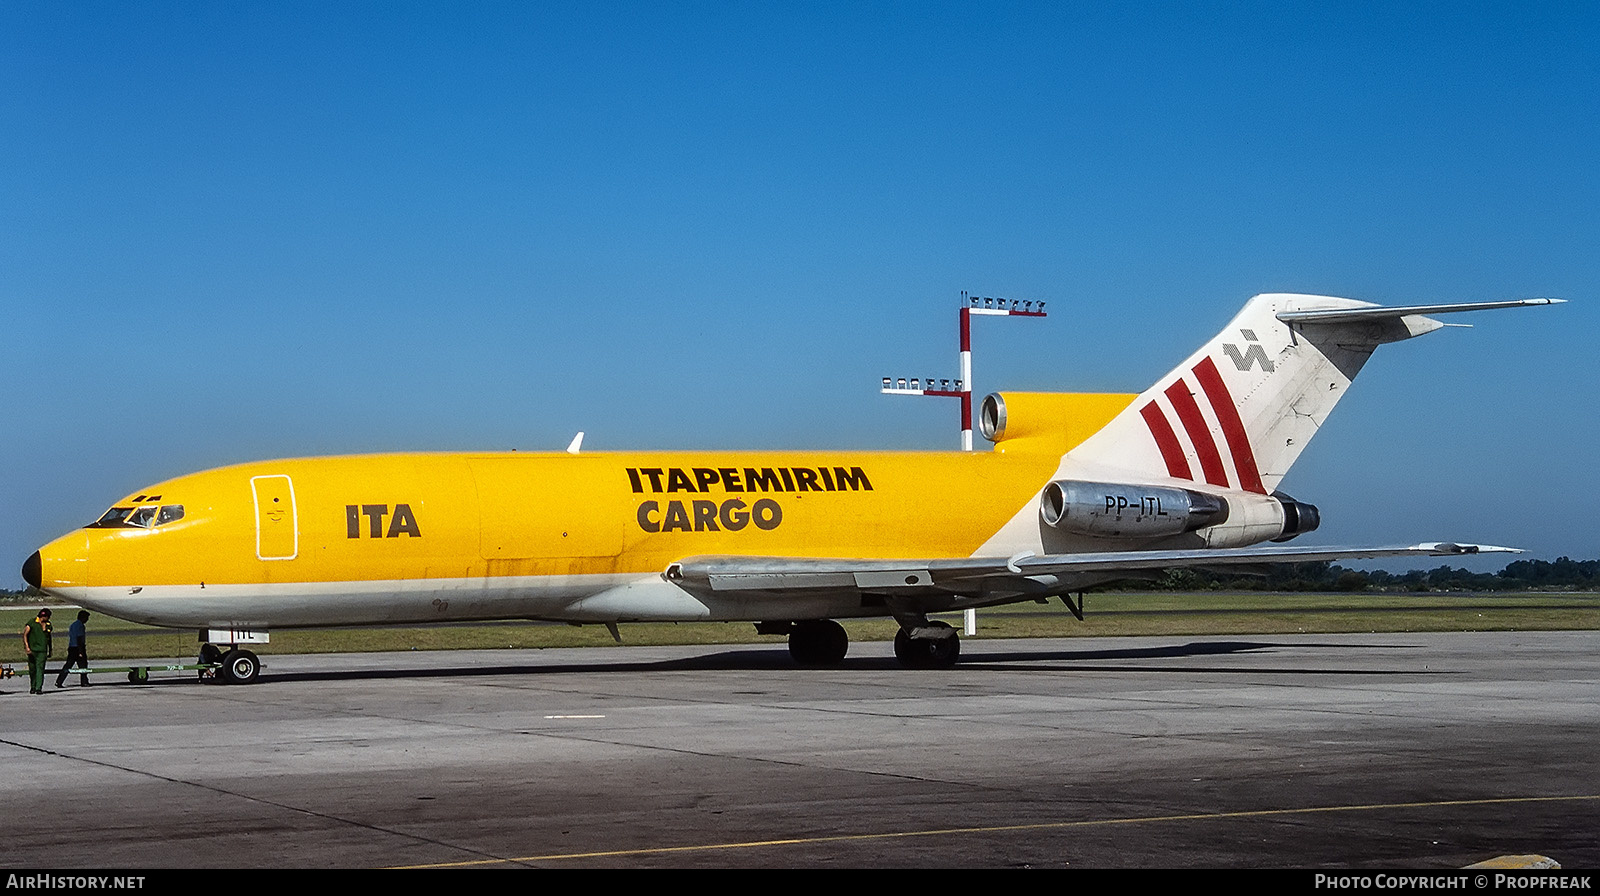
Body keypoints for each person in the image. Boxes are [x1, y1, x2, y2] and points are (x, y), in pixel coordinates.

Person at [55, 610, 91, 689]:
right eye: (86, 618)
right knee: (83, 665)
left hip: (71, 647)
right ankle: (84, 681)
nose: (87, 620)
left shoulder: (73, 625)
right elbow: (79, 638)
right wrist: (81, 651)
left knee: (68, 665)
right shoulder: (81, 626)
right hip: (78, 647)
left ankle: (59, 681)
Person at [22, 608, 52, 695]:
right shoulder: (32, 622)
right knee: (32, 669)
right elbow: (25, 635)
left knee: (40, 669)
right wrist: (27, 647)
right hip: (32, 649)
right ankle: (33, 686)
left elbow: (49, 637)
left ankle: (39, 687)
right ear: (44, 616)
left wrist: (50, 649)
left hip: (42, 650)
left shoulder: (48, 624)